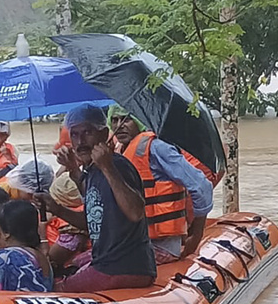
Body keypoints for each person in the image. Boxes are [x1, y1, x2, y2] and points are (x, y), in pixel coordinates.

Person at [38, 104, 156, 293]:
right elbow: (92, 221)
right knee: (67, 268)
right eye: (74, 135)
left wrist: (107, 167)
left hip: (120, 266)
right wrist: (57, 207)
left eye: (87, 132)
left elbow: (136, 212)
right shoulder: (92, 170)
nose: (80, 141)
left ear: (104, 134)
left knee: (54, 290)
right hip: (106, 263)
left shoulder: (118, 165)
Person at [107, 104, 214, 263]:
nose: (119, 126)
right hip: (132, 243)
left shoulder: (156, 148)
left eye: (127, 119)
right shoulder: (116, 152)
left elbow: (201, 186)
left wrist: (196, 234)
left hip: (161, 245)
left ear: (140, 119)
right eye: (114, 120)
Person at [45, 171, 89, 273]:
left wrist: (41, 231)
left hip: (65, 271)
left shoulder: (72, 229)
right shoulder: (87, 210)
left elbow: (52, 261)